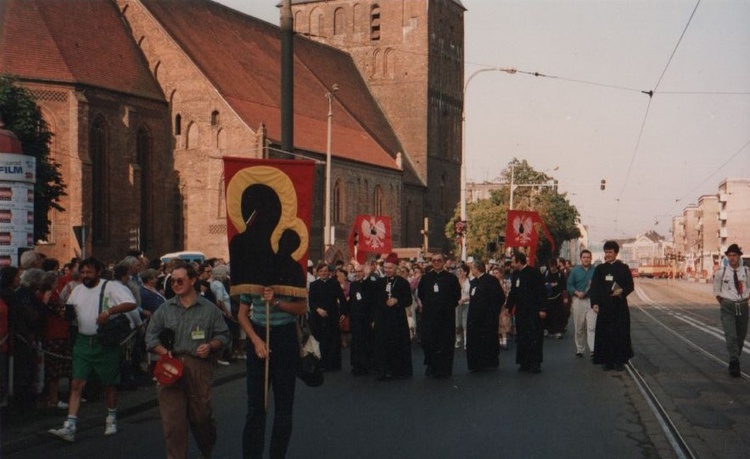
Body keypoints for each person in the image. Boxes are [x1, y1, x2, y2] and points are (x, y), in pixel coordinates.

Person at [145, 262, 230, 458]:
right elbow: (150, 338)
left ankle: (206, 449)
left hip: (198, 367)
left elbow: (224, 335)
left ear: (192, 280)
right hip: (170, 367)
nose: (175, 284)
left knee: (201, 418)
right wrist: (164, 352)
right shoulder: (165, 309)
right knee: (173, 424)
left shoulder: (209, 309)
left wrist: (211, 346)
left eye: (180, 280)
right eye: (173, 280)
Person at [48, 257, 137, 442]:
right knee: (76, 384)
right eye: (82, 272)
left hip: (103, 342)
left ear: (98, 272)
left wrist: (109, 312)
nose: (85, 276)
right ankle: (70, 426)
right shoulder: (78, 290)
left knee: (109, 384)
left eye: (89, 272)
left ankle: (111, 418)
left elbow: (131, 303)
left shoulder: (111, 287)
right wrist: (64, 312)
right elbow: (70, 311)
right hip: (82, 342)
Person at [238, 285, 306, 458]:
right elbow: (242, 315)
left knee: (284, 406)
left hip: (285, 336)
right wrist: (256, 340)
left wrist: (276, 302)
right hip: (259, 334)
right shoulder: (251, 280)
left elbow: (302, 307)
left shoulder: (292, 275)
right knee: (255, 406)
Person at [590, 240, 634, 371]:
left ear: (616, 253)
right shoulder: (600, 269)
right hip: (604, 307)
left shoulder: (623, 268)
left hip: (619, 307)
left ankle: (620, 361)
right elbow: (594, 288)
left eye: (610, 252)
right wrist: (594, 303)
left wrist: (622, 291)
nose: (607, 254)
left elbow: (630, 286)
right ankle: (607, 361)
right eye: (606, 252)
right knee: (605, 334)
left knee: (620, 334)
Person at [417, 253, 461, 378]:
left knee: (445, 343)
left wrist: (446, 306)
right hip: (429, 316)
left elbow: (457, 295)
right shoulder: (426, 278)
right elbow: (421, 294)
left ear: (443, 262)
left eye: (439, 260)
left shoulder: (451, 278)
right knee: (429, 341)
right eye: (434, 260)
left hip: (446, 316)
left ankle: (444, 369)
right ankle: (431, 366)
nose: (436, 262)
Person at [373, 253, 413, 380]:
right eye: (385, 268)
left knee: (397, 344)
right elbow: (373, 300)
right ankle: (383, 370)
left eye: (390, 268)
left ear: (396, 268)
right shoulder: (379, 282)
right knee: (382, 345)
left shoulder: (403, 282)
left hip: (397, 319)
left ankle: (398, 370)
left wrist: (397, 300)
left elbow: (408, 301)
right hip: (382, 318)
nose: (387, 270)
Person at [713, 243, 750, 377]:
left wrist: (745, 299)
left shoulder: (746, 271)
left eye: (734, 255)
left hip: (743, 307)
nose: (732, 258)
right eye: (729, 255)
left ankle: (735, 355)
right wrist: (724, 302)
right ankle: (734, 361)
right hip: (728, 306)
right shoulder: (721, 273)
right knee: (731, 335)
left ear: (739, 256)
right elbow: (716, 290)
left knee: (741, 336)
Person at [506, 252, 546, 374]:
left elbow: (541, 292)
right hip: (521, 311)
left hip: (533, 311)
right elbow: (513, 292)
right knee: (522, 337)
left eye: (513, 261)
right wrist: (508, 308)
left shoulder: (534, 273)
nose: (512, 264)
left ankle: (535, 363)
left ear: (519, 261)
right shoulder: (515, 274)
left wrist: (542, 309)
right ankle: (524, 362)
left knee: (534, 337)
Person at [466, 259, 505, 372]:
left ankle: (490, 363)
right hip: (475, 316)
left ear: (477, 268)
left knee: (489, 339)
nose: (471, 270)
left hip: (487, 317)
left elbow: (500, 298)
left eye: (472, 267)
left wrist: (493, 313)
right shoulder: (474, 282)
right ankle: (476, 364)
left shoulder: (491, 280)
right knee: (475, 340)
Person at [307, 263, 346, 371]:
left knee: (333, 340)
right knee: (321, 340)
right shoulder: (314, 285)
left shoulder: (335, 283)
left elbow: (342, 299)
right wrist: (318, 310)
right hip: (318, 318)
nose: (323, 273)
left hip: (332, 316)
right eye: (321, 271)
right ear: (318, 272)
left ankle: (334, 364)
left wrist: (343, 313)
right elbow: (311, 301)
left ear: (329, 272)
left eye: (325, 271)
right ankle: (322, 364)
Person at [344, 264, 375, 375]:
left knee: (367, 342)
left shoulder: (371, 284)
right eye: (356, 271)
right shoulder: (353, 285)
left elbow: (373, 303)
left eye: (360, 271)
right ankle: (357, 365)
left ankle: (368, 365)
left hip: (367, 319)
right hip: (356, 318)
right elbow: (351, 300)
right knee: (356, 343)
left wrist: (373, 319)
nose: (358, 273)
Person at [567, 249, 595, 358]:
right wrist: (576, 292)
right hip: (578, 301)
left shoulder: (595, 270)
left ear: (591, 258)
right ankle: (580, 349)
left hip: (591, 300)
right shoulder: (575, 271)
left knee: (592, 327)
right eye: (584, 257)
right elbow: (569, 285)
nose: (586, 259)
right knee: (579, 327)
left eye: (588, 257)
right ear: (581, 258)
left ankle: (593, 350)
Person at [544, 260, 566, 339]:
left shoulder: (560, 274)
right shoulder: (546, 273)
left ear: (556, 266)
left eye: (554, 266)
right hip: (547, 297)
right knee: (547, 314)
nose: (552, 268)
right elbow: (542, 283)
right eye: (551, 266)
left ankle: (558, 331)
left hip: (558, 297)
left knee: (558, 314)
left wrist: (555, 285)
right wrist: (547, 285)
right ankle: (546, 329)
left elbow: (563, 286)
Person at [455, 265, 470, 350]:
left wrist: (465, 299)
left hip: (467, 303)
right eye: (458, 271)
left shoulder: (470, 281)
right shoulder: (455, 281)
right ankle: (458, 339)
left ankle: (466, 342)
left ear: (465, 272)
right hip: (457, 304)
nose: (459, 273)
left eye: (461, 271)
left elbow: (472, 294)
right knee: (457, 324)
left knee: (465, 324)